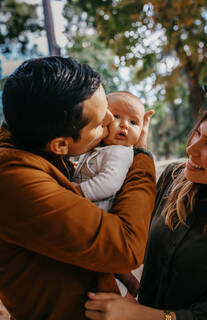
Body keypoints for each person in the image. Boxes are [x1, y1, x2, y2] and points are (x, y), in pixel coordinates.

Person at [0, 56, 156, 320]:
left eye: (106, 107)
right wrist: (138, 154)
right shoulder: (14, 180)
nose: (110, 121)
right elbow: (126, 247)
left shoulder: (38, 144)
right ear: (60, 145)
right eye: (98, 124)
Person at [84, 85, 207, 320]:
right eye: (198, 133)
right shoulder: (172, 177)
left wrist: (141, 314)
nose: (191, 148)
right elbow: (129, 226)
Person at [73, 91, 145, 297]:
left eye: (133, 122)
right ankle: (128, 280)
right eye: (116, 117)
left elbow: (110, 182)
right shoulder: (100, 149)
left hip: (101, 217)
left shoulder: (120, 152)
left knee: (103, 266)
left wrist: (80, 189)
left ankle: (123, 290)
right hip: (92, 216)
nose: (124, 125)